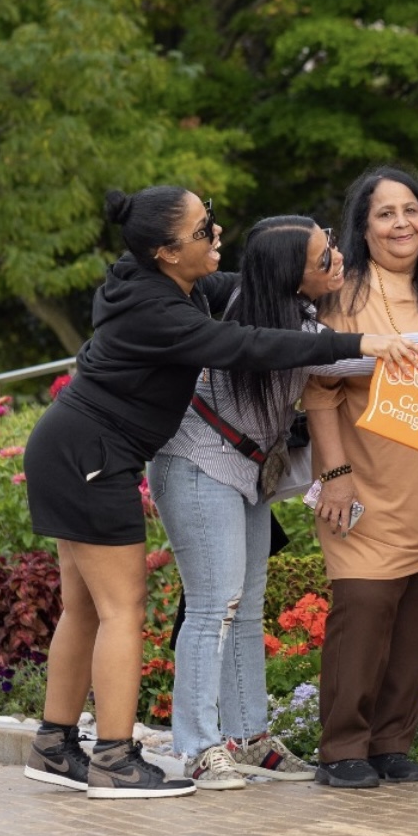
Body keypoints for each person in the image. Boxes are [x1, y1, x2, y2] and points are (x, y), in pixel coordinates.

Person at [22, 186, 418, 800]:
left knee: (84, 608)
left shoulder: (167, 284)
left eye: (212, 220)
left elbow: (262, 295)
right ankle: (115, 760)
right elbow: (247, 345)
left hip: (75, 449)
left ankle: (53, 745)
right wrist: (360, 341)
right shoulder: (163, 313)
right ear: (165, 252)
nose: (217, 237)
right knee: (121, 611)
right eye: (203, 232)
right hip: (91, 456)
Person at [149, 214, 383, 791]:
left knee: (244, 604)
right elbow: (352, 358)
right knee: (212, 606)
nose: (338, 260)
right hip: (198, 463)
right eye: (324, 257)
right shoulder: (264, 330)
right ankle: (198, 747)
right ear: (289, 275)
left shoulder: (293, 318)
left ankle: (249, 737)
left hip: (246, 470)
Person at [303, 168, 418, 790]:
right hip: (364, 486)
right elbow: (319, 394)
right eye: (385, 214)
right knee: (365, 608)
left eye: (411, 210)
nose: (402, 223)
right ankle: (342, 747)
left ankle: (390, 742)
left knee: (413, 624)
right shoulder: (343, 297)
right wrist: (337, 475)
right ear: (363, 226)